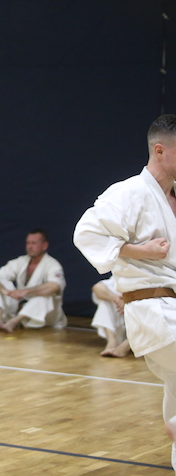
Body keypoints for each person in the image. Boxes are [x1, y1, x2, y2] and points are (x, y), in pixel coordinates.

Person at [74, 113, 176, 472]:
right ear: (159, 150)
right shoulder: (130, 192)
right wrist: (140, 250)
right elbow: (86, 234)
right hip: (153, 308)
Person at [0, 229, 67, 332]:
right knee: (0, 283)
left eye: (34, 243)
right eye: (28, 243)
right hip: (21, 307)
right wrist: (4, 291)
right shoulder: (20, 261)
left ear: (44, 245)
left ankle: (13, 322)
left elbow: (55, 286)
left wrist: (26, 292)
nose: (30, 246)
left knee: (46, 294)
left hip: (47, 315)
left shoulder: (53, 265)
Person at [91, 276, 130, 357]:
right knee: (105, 302)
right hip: (125, 319)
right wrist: (116, 299)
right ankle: (112, 341)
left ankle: (127, 345)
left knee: (147, 310)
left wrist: (129, 302)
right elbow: (97, 287)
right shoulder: (124, 274)